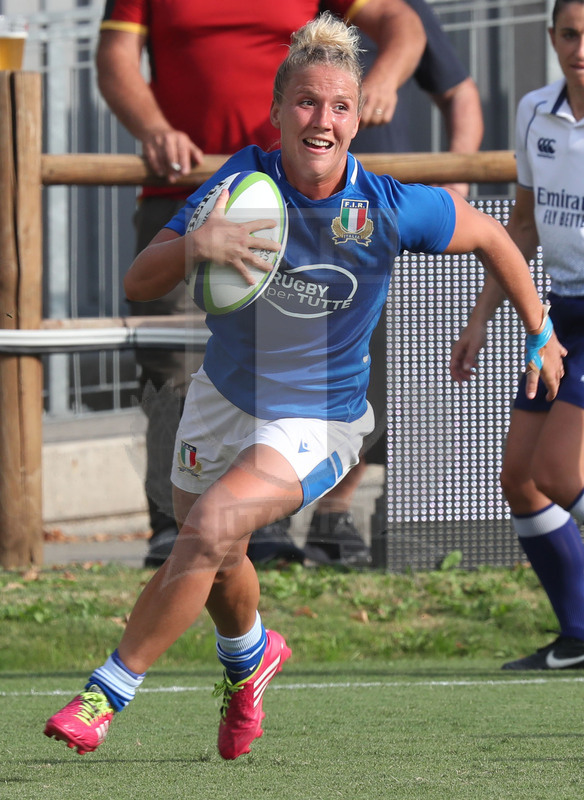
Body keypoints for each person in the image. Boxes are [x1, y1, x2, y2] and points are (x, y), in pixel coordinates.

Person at [44, 13, 562, 759]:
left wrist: (539, 331)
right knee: (217, 553)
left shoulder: (384, 206)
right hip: (222, 399)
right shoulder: (241, 184)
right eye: (308, 102)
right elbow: (138, 280)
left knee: (212, 528)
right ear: (279, 108)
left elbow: (488, 235)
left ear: (358, 117)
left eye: (340, 106)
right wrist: (198, 244)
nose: (323, 120)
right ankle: (250, 659)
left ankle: (106, 692)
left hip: (320, 420)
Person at [96, 0, 427, 569]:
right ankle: (173, 522)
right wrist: (154, 130)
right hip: (195, 192)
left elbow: (404, 23)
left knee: (311, 348)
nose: (325, 113)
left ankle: (264, 517)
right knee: (173, 360)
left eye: (338, 107)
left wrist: (379, 82)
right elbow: (114, 58)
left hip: (298, 198)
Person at [292, 0, 485, 566]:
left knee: (373, 373)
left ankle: (332, 514)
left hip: (371, 225)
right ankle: (266, 520)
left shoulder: (393, 12)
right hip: (288, 211)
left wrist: (457, 182)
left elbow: (461, 93)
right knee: (279, 368)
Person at [450, 0, 584, 670]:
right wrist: (480, 318)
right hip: (562, 315)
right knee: (521, 480)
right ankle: (580, 634)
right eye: (571, 34)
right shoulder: (535, 111)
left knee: (558, 470)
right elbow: (522, 227)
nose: (581, 49)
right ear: (552, 36)